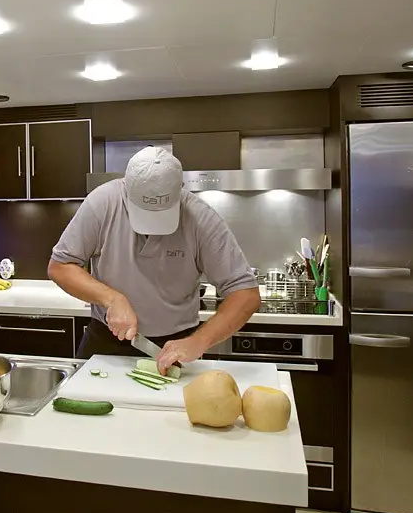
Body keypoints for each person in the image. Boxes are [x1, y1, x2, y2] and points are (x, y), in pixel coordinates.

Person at [48, 146, 261, 372]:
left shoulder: (201, 219)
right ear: (126, 188)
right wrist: (112, 299)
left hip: (177, 347)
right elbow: (60, 266)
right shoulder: (102, 203)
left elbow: (246, 294)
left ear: (180, 191)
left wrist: (199, 341)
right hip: (106, 343)